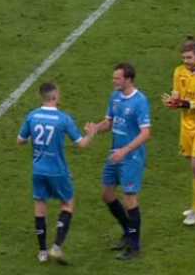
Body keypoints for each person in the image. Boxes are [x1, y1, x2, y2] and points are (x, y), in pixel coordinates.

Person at [16, 82, 95, 264]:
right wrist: (91, 133)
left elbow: (20, 140)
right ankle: (56, 247)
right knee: (68, 203)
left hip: (38, 170)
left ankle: (42, 252)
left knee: (40, 205)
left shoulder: (32, 116)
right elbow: (81, 144)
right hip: (57, 171)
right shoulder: (63, 119)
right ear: (55, 96)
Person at [84, 63, 151, 261]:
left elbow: (146, 133)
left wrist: (126, 150)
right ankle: (127, 232)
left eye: (117, 78)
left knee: (130, 199)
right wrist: (95, 128)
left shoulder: (140, 101)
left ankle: (134, 246)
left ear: (128, 79)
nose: (114, 81)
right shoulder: (115, 97)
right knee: (107, 195)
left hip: (131, 156)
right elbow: (110, 123)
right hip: (115, 154)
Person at [162, 39, 195, 226]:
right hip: (186, 125)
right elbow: (177, 94)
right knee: (194, 167)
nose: (186, 61)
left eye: (189, 57)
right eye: (184, 58)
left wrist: (185, 104)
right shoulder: (179, 71)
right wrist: (173, 101)